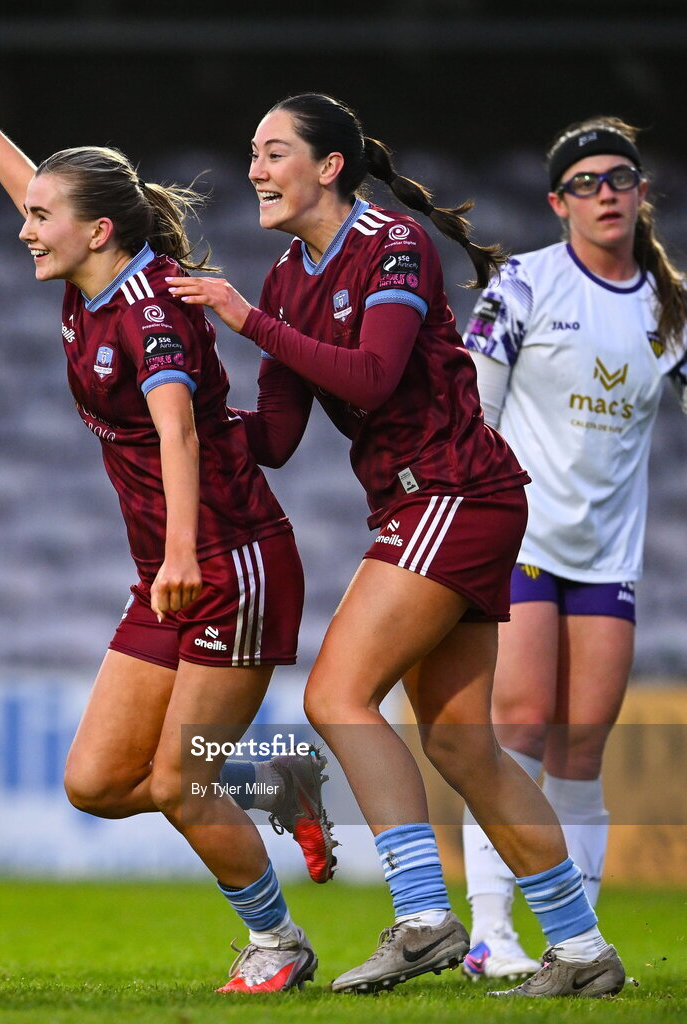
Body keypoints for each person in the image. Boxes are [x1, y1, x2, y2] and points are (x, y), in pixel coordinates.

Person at [166, 93, 627, 998]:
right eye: (252, 154)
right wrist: (179, 407)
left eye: (272, 152)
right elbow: (276, 439)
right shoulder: (289, 278)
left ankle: (422, 917)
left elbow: (374, 379)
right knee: (462, 747)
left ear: (328, 165)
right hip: (428, 507)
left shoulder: (392, 244)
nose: (254, 169)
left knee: (340, 695)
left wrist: (248, 322)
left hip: (458, 494)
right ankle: (582, 952)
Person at [0, 47, 336, 993]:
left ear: (96, 230)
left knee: (179, 787)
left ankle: (279, 944)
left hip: (228, 561)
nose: (25, 230)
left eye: (39, 221)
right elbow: (41, 188)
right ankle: (273, 781)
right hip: (169, 571)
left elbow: (178, 433)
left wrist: (181, 553)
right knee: (98, 784)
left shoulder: (146, 315)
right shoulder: (91, 270)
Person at [459, 117, 687, 980]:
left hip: (607, 556)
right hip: (519, 539)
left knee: (581, 746)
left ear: (638, 194)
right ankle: (490, 932)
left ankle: (575, 943)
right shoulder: (522, 284)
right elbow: (475, 406)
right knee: (514, 725)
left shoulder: (669, 309)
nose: (605, 193)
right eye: (585, 182)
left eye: (618, 178)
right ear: (557, 202)